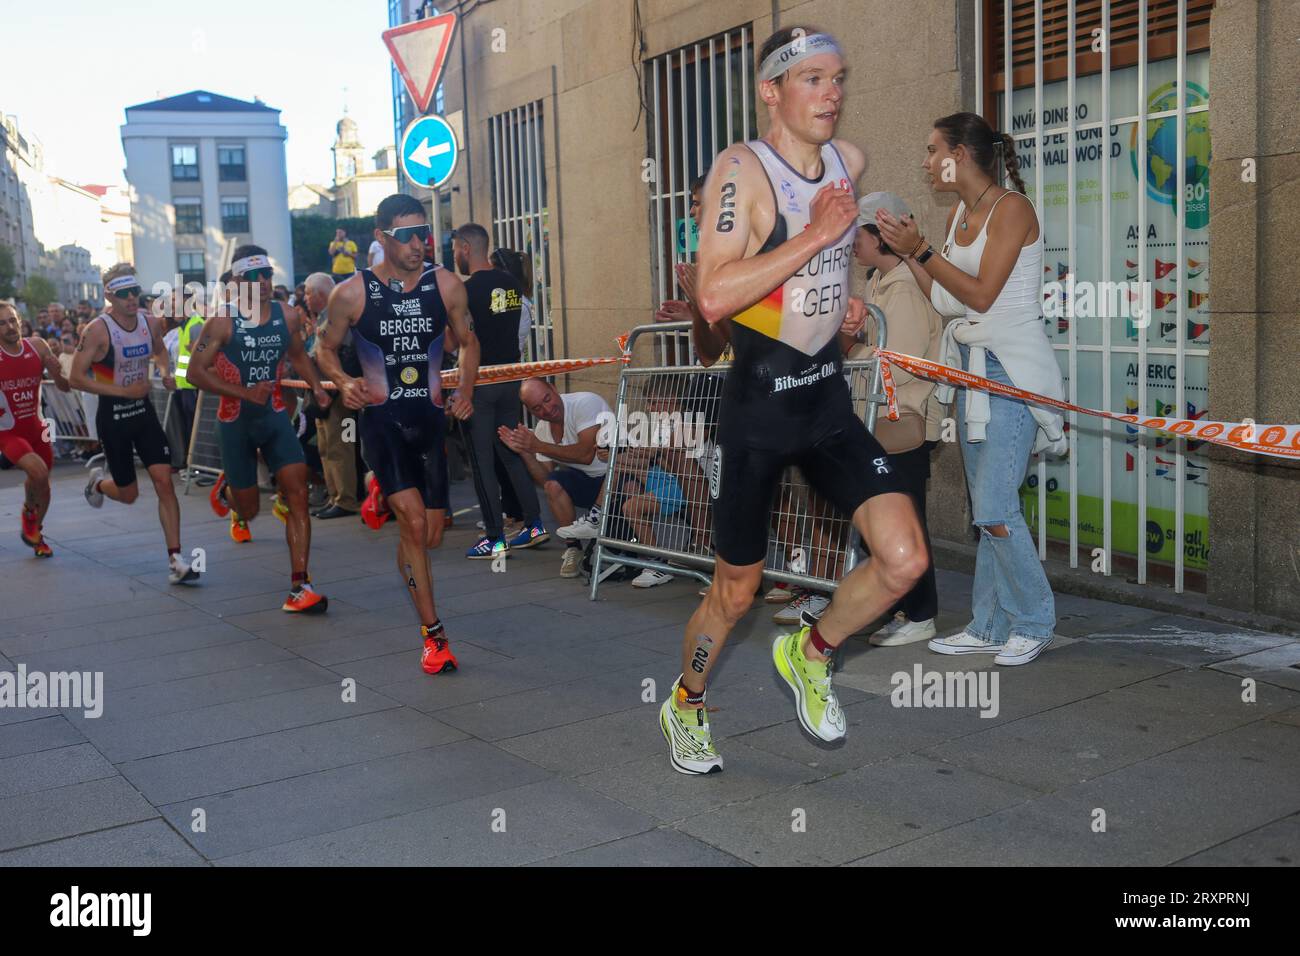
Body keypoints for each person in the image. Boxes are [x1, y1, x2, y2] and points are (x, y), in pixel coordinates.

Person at [657, 26, 929, 776]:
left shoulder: (851, 162)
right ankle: (686, 701)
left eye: (837, 77)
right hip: (758, 414)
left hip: (825, 404)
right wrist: (814, 239)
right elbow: (713, 294)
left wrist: (838, 306)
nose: (831, 93)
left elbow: (831, 265)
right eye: (811, 79)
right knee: (735, 593)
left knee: (903, 561)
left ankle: (810, 653)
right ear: (770, 92)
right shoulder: (740, 173)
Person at [876, 111, 1065, 667]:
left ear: (959, 154)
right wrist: (915, 251)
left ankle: (1034, 620)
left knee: (997, 504)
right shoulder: (963, 213)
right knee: (987, 504)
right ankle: (987, 624)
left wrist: (922, 250)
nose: (926, 160)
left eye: (933, 149)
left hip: (1011, 371)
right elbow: (948, 301)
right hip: (973, 372)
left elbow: (981, 297)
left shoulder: (1013, 210)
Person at [318, 193, 479, 675]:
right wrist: (345, 382)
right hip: (382, 423)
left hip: (429, 423)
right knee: (411, 524)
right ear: (382, 237)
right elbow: (324, 349)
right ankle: (434, 636)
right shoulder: (350, 293)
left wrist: (465, 389)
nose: (418, 244)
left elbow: (469, 343)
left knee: (429, 535)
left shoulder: (446, 284)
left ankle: (380, 495)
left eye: (424, 234)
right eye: (406, 235)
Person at [185, 245, 331, 613]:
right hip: (235, 422)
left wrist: (316, 386)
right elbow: (194, 372)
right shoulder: (220, 323)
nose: (263, 282)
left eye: (267, 274)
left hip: (274, 417)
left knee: (297, 492)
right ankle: (230, 493)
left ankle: (301, 584)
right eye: (253, 277)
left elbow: (298, 355)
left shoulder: (287, 315)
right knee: (249, 510)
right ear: (236, 282)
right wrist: (244, 392)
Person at [850, 192, 945, 646]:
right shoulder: (879, 282)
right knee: (884, 520)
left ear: (879, 237)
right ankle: (900, 606)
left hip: (902, 421)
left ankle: (920, 613)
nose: (852, 241)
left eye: (859, 233)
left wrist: (852, 350)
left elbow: (901, 362)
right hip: (882, 419)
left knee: (904, 522)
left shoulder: (903, 286)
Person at [70, 265, 199, 585]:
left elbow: (159, 351)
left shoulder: (149, 322)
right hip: (113, 418)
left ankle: (176, 559)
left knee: (164, 481)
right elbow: (75, 377)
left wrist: (166, 372)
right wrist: (121, 391)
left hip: (143, 414)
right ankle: (97, 484)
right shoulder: (97, 330)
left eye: (135, 291)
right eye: (124, 293)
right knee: (128, 494)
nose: (132, 298)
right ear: (109, 296)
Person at [453, 223, 548, 559]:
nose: (455, 257)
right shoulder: (510, 283)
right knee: (511, 455)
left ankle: (494, 537)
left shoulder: (466, 290)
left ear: (465, 247)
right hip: (510, 381)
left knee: (482, 463)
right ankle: (534, 523)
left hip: (480, 384)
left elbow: (461, 339)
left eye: (455, 250)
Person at [498, 378, 610, 579]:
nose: (547, 410)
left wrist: (538, 446)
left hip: (621, 481)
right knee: (553, 484)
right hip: (591, 484)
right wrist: (525, 451)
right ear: (531, 412)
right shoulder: (542, 428)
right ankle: (573, 548)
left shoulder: (585, 403)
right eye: (537, 408)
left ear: (554, 388)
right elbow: (544, 480)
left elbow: (586, 454)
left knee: (625, 547)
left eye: (547, 399)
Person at [0, 302, 70, 557]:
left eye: (13, 320)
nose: (10, 327)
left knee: (44, 484)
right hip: (8, 432)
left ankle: (35, 529)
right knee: (38, 472)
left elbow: (64, 387)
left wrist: (57, 373)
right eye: (3, 323)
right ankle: (30, 518)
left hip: (37, 426)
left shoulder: (37, 346)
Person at [302, 272, 359, 519]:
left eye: (307, 292)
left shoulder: (337, 316)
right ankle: (335, 494)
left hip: (337, 394)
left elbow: (336, 352)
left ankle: (346, 499)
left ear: (320, 295)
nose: (304, 298)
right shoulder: (323, 318)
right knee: (326, 446)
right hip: (323, 393)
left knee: (340, 446)